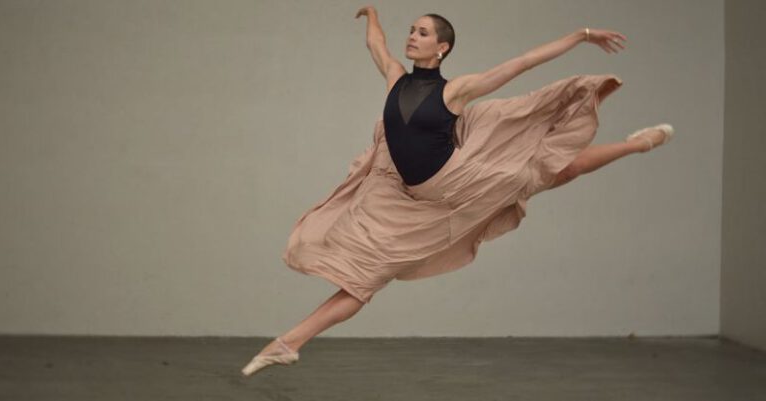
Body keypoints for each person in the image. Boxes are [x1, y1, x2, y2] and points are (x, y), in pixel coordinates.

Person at [241, 7, 673, 376]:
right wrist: (372, 14)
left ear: (441, 48)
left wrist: (581, 36)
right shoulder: (395, 80)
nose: (413, 37)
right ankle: (289, 342)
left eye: (423, 33)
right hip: (409, 200)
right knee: (366, 276)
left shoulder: (455, 90)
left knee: (553, 169)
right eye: (411, 30)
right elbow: (376, 46)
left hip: (464, 182)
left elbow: (522, 62)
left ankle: (639, 143)